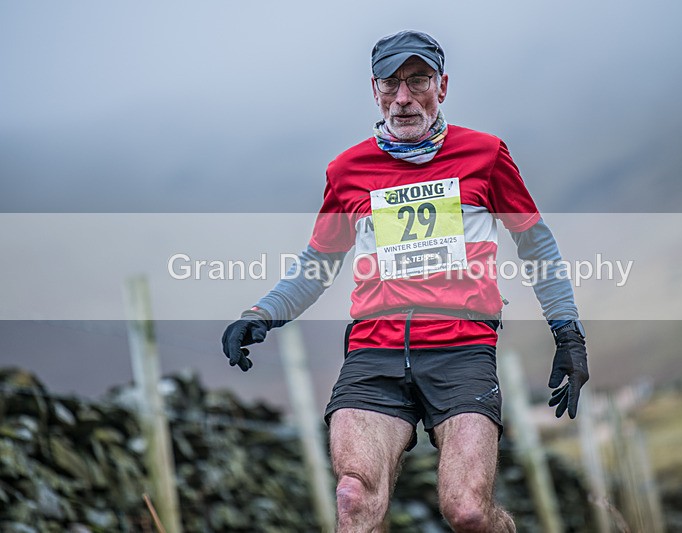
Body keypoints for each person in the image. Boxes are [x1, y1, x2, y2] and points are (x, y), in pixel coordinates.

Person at [222, 30, 589, 532]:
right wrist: (262, 314)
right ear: (374, 89)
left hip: (463, 351)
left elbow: (536, 243)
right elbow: (320, 258)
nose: (404, 98)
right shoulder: (348, 169)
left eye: (418, 81)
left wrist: (568, 333)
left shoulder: (485, 154)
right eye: (391, 83)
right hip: (374, 352)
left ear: (442, 85)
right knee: (352, 498)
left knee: (469, 513)